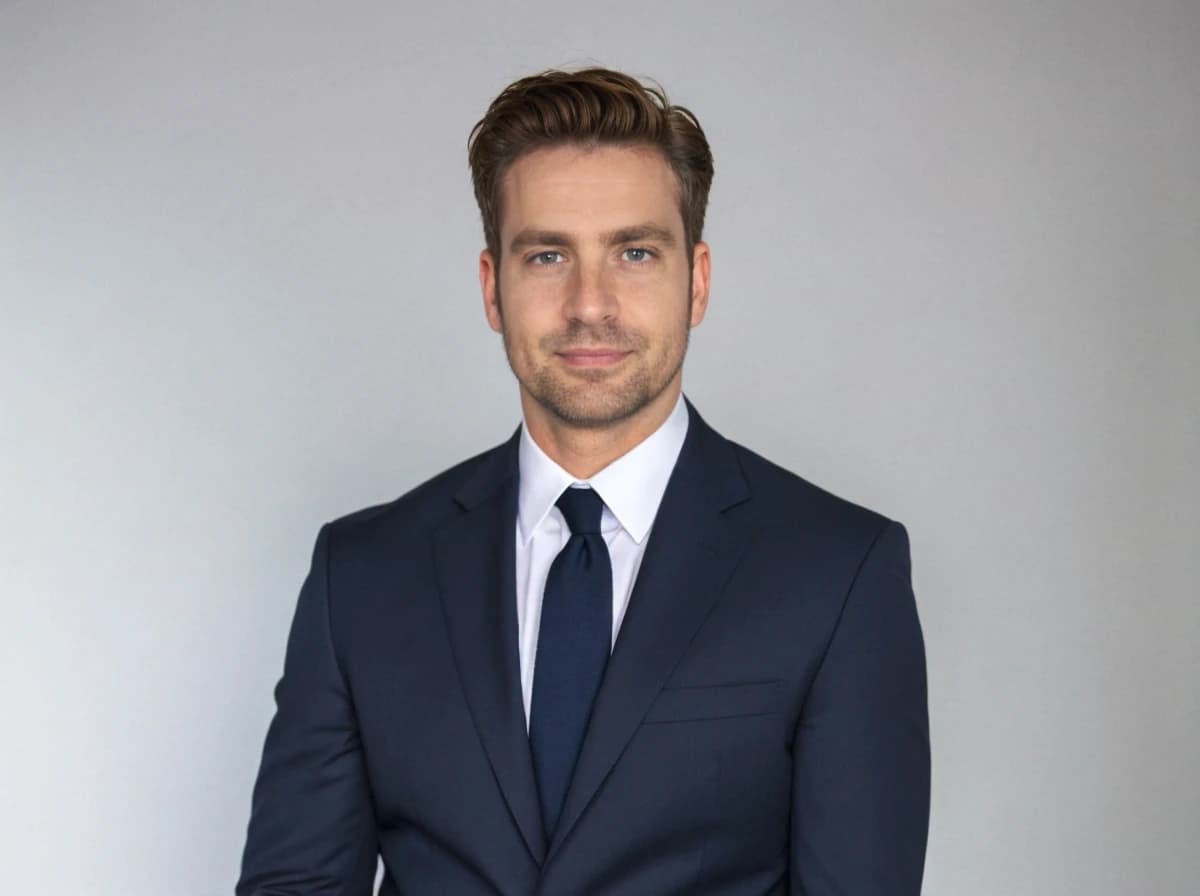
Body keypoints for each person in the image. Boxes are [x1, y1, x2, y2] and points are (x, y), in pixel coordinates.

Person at [237, 67, 930, 896]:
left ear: (697, 281)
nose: (588, 303)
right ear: (494, 287)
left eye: (635, 253)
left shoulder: (839, 573)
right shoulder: (362, 574)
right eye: (547, 254)